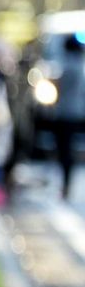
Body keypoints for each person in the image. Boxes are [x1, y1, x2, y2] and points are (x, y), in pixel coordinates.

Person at [49, 34, 85, 199]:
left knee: (64, 150)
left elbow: (57, 86)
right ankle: (65, 184)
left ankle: (65, 185)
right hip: (76, 112)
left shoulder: (68, 65)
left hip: (65, 113)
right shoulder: (80, 65)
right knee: (68, 148)